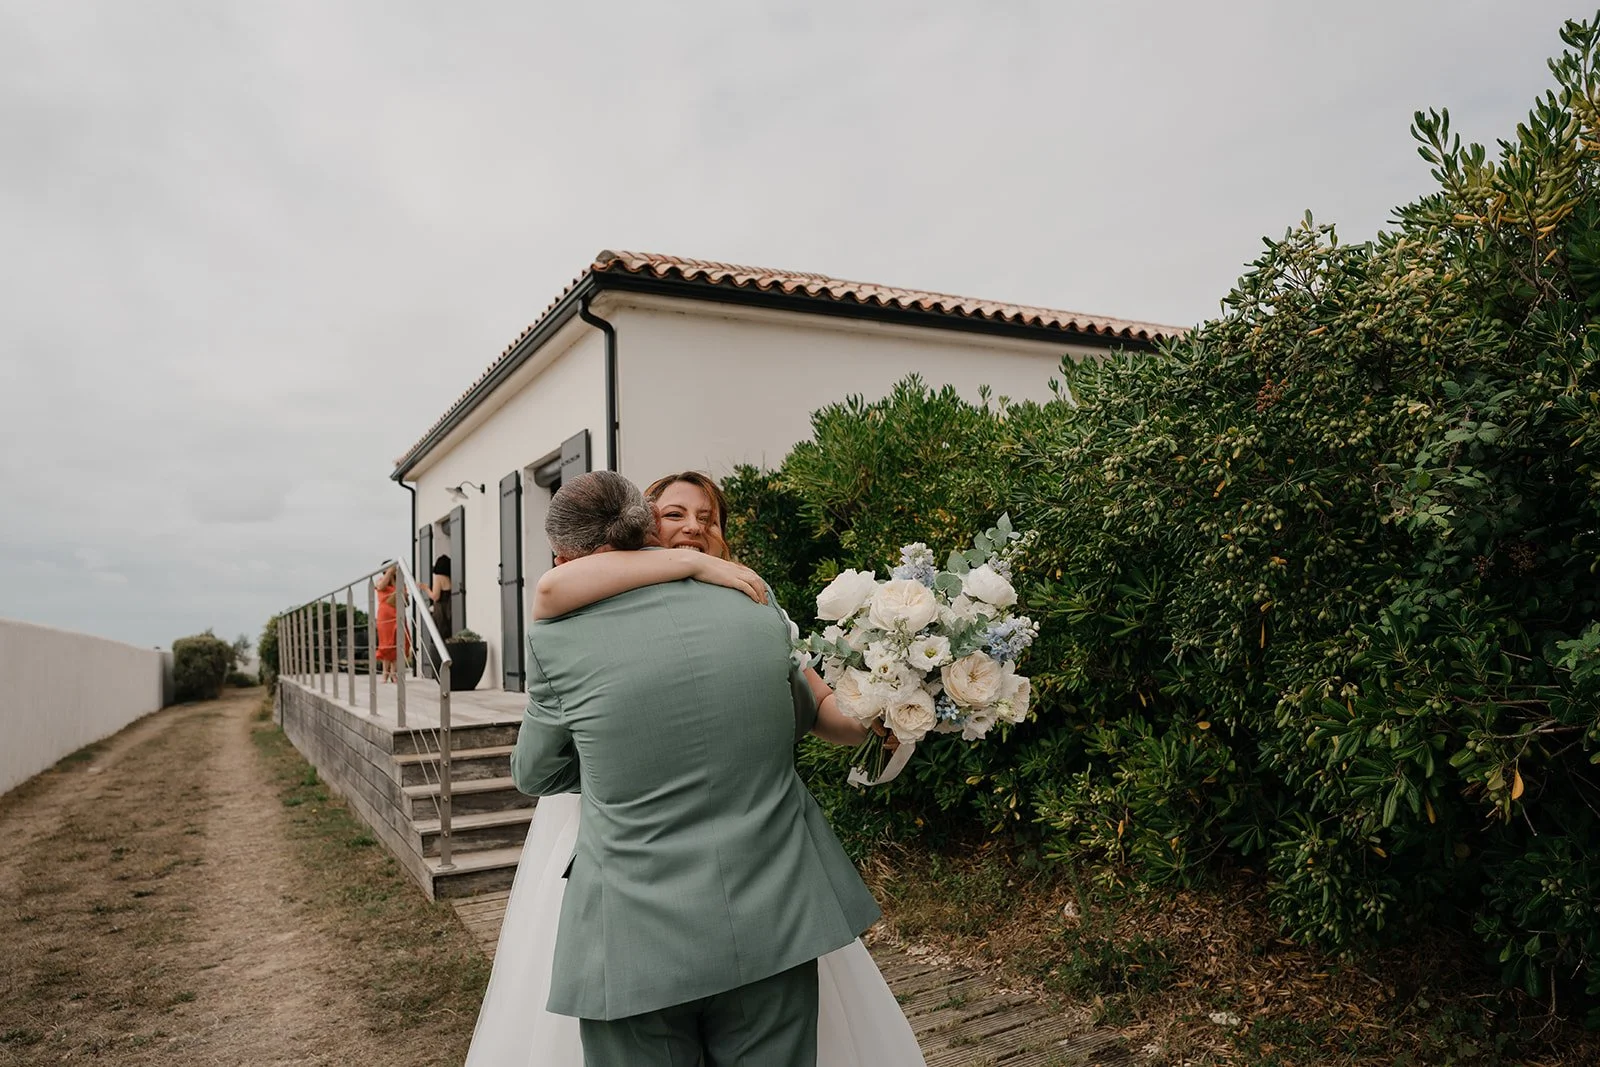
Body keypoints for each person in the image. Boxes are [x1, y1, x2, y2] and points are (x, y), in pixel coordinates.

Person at [478, 471, 921, 1067]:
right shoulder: (759, 612)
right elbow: (788, 716)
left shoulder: (560, 636)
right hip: (774, 914)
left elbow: (534, 773)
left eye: (708, 519)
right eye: (675, 516)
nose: (694, 530)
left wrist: (887, 701)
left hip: (635, 932)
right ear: (644, 528)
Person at [373, 564, 406, 683]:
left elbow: (405, 598)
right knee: (386, 644)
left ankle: (394, 673)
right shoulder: (381, 580)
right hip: (385, 616)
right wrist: (389, 573)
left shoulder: (399, 582)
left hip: (398, 614)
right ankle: (384, 673)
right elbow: (380, 587)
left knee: (399, 642)